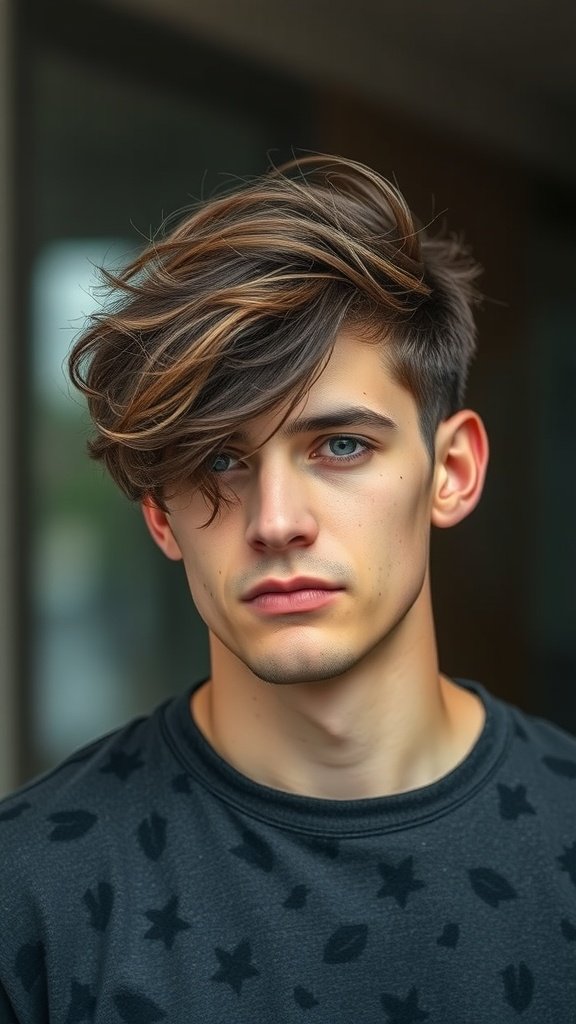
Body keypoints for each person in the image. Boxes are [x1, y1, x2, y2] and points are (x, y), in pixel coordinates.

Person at [1, 154, 575, 1024]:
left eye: (340, 446)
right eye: (220, 462)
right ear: (161, 517)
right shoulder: (28, 889)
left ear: (451, 471)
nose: (275, 520)